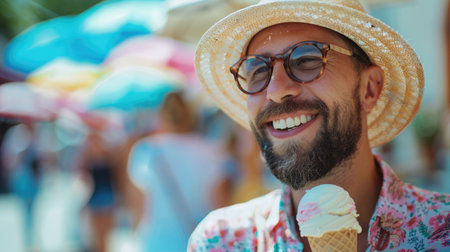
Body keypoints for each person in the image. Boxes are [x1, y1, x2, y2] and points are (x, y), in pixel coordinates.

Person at [188, 0, 450, 251]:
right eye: (257, 70)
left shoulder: (442, 234)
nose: (276, 90)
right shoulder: (221, 243)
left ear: (369, 88)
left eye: (306, 59)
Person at [127, 91, 234, 251]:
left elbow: (138, 205)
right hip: (200, 240)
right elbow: (220, 204)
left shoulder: (146, 150)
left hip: (156, 241)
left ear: (162, 116)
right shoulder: (212, 151)